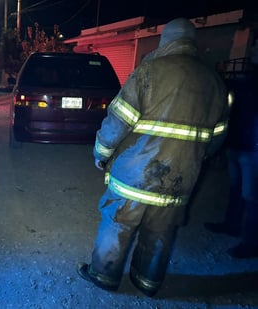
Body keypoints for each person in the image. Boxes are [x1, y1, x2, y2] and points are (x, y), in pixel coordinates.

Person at [76, 17, 229, 297]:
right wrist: (192, 160)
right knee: (160, 232)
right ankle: (147, 282)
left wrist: (101, 152)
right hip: (179, 181)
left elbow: (117, 122)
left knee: (117, 224)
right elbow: (216, 139)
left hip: (134, 176)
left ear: (165, 42)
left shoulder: (148, 73)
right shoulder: (215, 83)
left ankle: (104, 275)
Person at [204, 47, 258, 259]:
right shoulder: (247, 79)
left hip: (252, 149)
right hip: (238, 144)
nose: (253, 51)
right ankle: (232, 224)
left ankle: (251, 242)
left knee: (252, 196)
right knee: (236, 189)